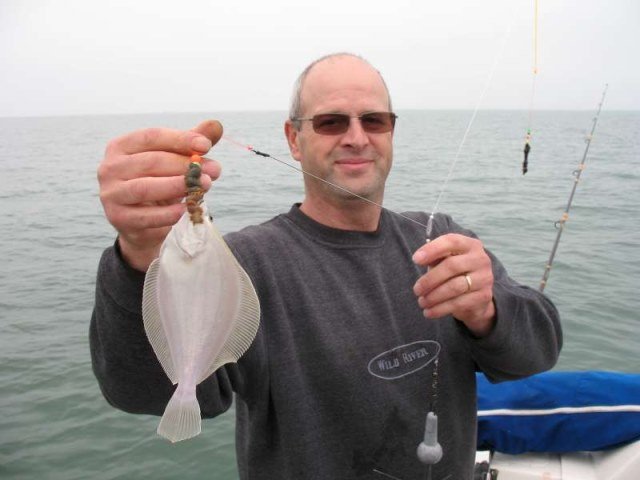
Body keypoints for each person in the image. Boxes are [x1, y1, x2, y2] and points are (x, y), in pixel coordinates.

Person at [91, 53, 562, 479]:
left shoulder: (444, 243)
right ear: (294, 139)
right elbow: (143, 391)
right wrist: (139, 255)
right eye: (332, 122)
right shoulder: (245, 263)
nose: (357, 137)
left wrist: (488, 311)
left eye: (374, 120)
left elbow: (536, 354)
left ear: (391, 133)